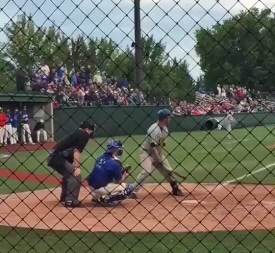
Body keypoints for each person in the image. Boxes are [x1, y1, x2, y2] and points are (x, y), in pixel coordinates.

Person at [130, 109, 184, 199]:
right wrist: (158, 159)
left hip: (157, 152)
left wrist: (161, 158)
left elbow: (161, 146)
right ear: (165, 119)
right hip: (146, 152)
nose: (170, 119)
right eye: (169, 118)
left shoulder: (165, 130)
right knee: (146, 171)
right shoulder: (154, 129)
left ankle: (175, 187)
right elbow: (153, 147)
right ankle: (132, 190)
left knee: (168, 169)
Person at [47, 121, 95, 208]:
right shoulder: (83, 135)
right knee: (75, 175)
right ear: (87, 129)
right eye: (91, 130)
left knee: (68, 175)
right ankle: (71, 201)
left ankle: (65, 198)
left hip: (53, 157)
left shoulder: (77, 133)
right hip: (58, 158)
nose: (92, 132)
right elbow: (76, 151)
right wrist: (76, 167)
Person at [87, 139, 133, 207]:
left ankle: (96, 197)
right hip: (100, 188)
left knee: (105, 179)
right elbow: (118, 181)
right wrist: (125, 176)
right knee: (128, 188)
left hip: (91, 186)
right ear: (117, 150)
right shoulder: (115, 163)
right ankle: (104, 198)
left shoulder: (100, 157)